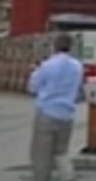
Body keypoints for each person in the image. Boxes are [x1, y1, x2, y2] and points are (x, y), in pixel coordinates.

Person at [27, 33, 84, 181]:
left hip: (47, 112)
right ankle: (67, 176)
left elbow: (33, 87)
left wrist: (34, 72)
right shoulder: (77, 66)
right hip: (67, 114)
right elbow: (78, 89)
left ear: (54, 46)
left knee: (41, 154)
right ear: (71, 47)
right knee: (61, 152)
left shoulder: (48, 65)